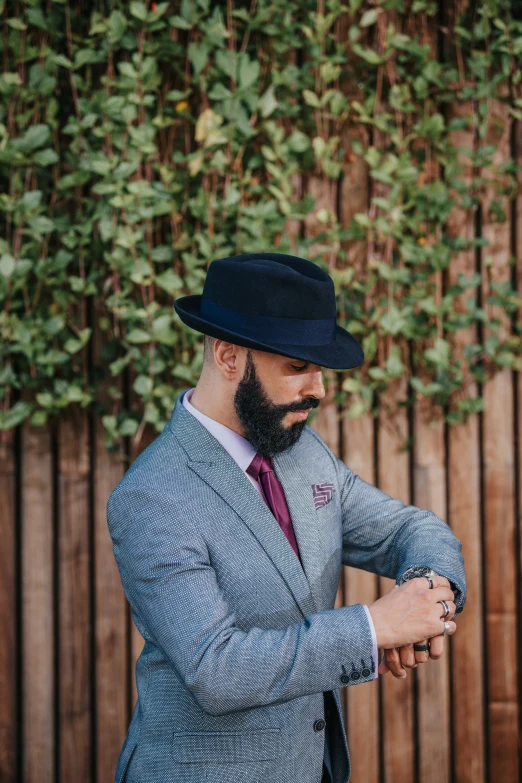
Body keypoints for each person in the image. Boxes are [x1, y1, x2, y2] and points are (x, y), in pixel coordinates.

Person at [106, 252, 466, 783]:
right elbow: (216, 669)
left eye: (318, 367)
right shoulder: (152, 496)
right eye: (297, 367)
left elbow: (409, 529)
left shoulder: (304, 451)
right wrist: (375, 629)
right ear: (228, 357)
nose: (318, 389)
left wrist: (425, 594)